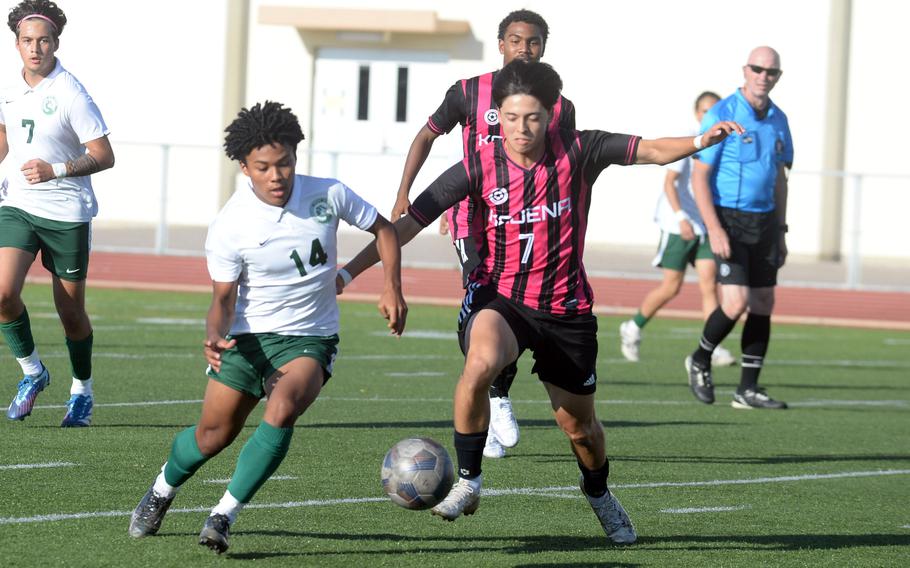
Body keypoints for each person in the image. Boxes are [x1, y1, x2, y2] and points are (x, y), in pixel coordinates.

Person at [343, 60, 742, 543]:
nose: (519, 129)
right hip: (503, 299)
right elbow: (406, 224)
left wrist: (701, 140)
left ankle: (599, 494)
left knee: (581, 431)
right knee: (479, 365)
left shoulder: (580, 149)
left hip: (567, 309)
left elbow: (652, 150)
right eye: (509, 118)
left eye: (531, 117)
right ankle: (469, 481)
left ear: (551, 114)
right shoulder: (478, 165)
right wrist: (351, 274)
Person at [127, 101, 406, 554]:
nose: (277, 176)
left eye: (285, 163)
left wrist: (387, 286)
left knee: (283, 408)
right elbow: (222, 298)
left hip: (309, 339)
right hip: (247, 339)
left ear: (296, 156)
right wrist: (214, 334)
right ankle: (161, 491)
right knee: (211, 437)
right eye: (264, 167)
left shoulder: (328, 194)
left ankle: (223, 515)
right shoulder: (230, 225)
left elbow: (386, 230)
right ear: (244, 167)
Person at [390, 9, 576, 459]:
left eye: (533, 42)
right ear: (501, 45)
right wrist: (404, 195)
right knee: (486, 302)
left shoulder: (558, 105)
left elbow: (566, 165)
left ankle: (496, 395)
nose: (524, 50)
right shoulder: (468, 92)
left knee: (517, 304)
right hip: (473, 220)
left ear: (543, 48)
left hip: (526, 222)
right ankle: (494, 398)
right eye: (516, 41)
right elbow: (425, 136)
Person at [1, 0, 114, 427]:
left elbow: (104, 155)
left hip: (66, 211)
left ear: (55, 44)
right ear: (17, 45)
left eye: (43, 41)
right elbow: (5, 139)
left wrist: (57, 170)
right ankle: (33, 373)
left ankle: (82, 390)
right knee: (2, 293)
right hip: (18, 206)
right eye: (27, 41)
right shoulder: (9, 89)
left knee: (70, 314)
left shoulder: (71, 92)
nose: (35, 48)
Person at [685, 46, 793, 410]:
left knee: (763, 302)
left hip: (765, 222)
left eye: (772, 72)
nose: (764, 76)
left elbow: (779, 177)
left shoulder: (779, 119)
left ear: (778, 76)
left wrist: (780, 230)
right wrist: (713, 227)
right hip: (728, 218)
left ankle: (748, 390)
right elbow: (699, 177)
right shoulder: (722, 113)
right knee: (736, 301)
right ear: (745, 70)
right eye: (758, 69)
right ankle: (700, 358)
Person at [618, 92, 735, 367]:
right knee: (672, 286)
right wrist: (682, 218)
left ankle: (713, 345)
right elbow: (670, 183)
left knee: (709, 285)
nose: (708, 115)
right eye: (704, 110)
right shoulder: (693, 140)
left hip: (704, 225)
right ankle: (633, 326)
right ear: (697, 114)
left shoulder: (722, 141)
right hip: (678, 224)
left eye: (713, 110)